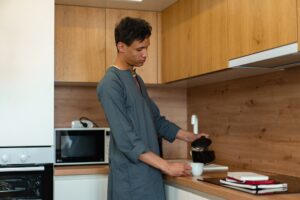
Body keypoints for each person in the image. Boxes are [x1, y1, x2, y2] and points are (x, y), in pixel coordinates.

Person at [97, 17, 208, 200]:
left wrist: (189, 136)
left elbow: (155, 120)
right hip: (130, 180)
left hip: (149, 174)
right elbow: (126, 139)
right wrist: (166, 165)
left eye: (147, 48)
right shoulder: (110, 83)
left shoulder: (136, 80)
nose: (145, 54)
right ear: (121, 47)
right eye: (139, 49)